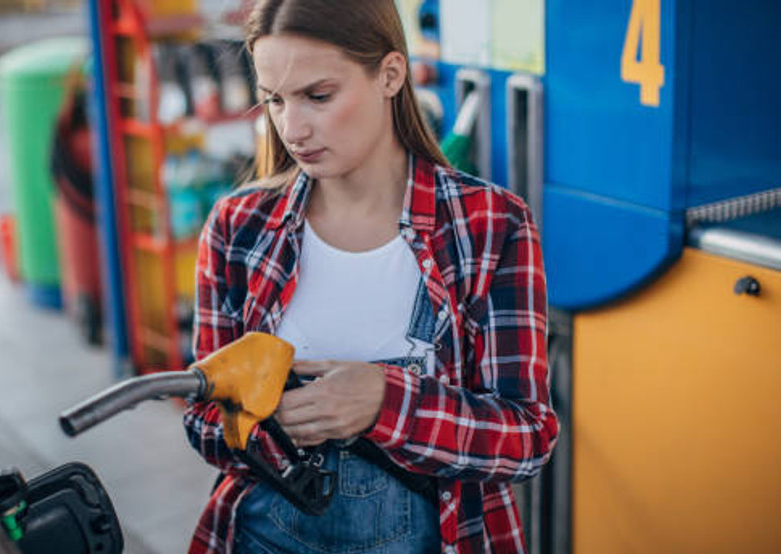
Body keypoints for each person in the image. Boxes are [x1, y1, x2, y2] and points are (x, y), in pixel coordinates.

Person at [183, 1, 558, 552]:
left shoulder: (488, 225)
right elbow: (201, 416)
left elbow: (526, 437)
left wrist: (387, 401)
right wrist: (263, 427)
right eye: (275, 100)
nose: (292, 127)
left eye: (318, 96)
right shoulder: (238, 227)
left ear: (390, 75)